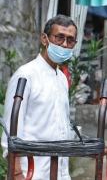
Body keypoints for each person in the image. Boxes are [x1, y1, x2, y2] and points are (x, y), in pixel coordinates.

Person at [1, 14, 78, 180]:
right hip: (32, 173)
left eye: (70, 40)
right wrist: (17, 173)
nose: (64, 44)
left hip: (59, 172)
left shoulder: (62, 78)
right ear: (44, 39)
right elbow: (11, 131)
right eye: (59, 37)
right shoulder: (26, 75)